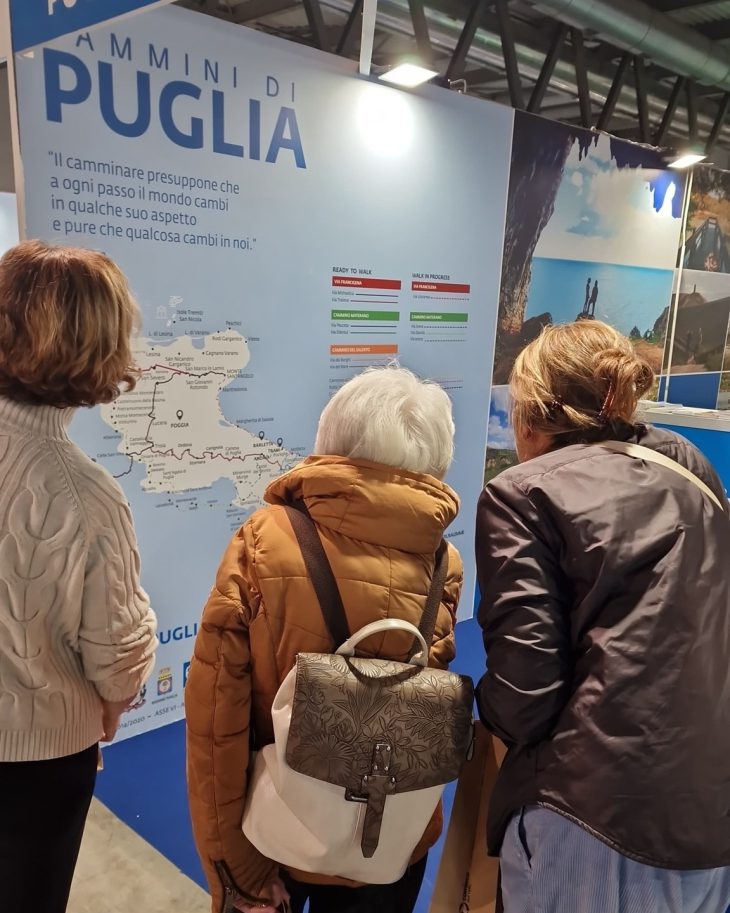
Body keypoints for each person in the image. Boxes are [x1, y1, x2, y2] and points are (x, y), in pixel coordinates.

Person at [186, 365, 463, 913]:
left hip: (277, 835)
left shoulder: (265, 541)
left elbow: (216, 719)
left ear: (333, 435)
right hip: (395, 839)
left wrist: (234, 869)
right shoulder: (443, 562)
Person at [475, 321, 730, 913]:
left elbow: (524, 698)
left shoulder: (522, 494)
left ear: (533, 415)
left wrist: (473, 707)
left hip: (593, 818)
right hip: (710, 811)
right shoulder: (690, 467)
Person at [0, 241, 158, 913]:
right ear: (102, 348)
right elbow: (117, 660)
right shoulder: (87, 496)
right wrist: (116, 696)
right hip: (35, 764)